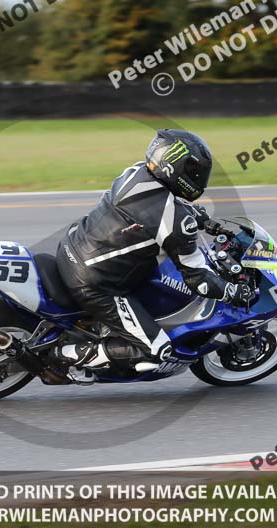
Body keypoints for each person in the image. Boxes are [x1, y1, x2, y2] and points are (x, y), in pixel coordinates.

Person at [53, 129, 252, 383]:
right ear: (176, 168)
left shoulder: (135, 172)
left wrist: (200, 219)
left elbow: (155, 207)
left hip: (71, 247)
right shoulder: (176, 222)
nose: (199, 177)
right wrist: (232, 292)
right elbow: (198, 279)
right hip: (95, 283)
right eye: (194, 171)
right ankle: (67, 355)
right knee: (158, 351)